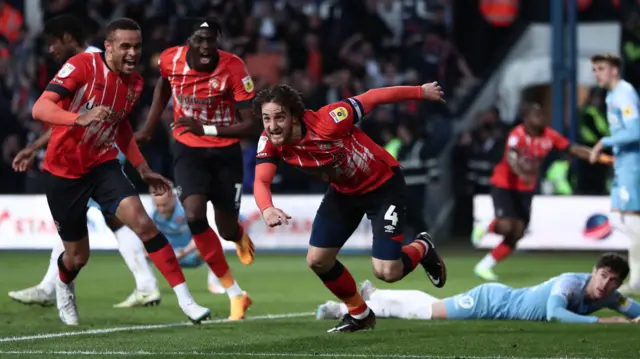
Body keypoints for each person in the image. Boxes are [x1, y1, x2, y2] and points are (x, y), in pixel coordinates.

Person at [30, 17, 209, 326]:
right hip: (63, 172)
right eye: (125, 46)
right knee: (76, 258)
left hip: (102, 164)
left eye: (137, 46)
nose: (132, 53)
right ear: (109, 47)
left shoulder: (135, 83)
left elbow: (121, 126)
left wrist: (142, 168)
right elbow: (40, 108)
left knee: (144, 223)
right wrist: (78, 119)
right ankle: (63, 285)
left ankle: (187, 301)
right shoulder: (82, 65)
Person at [234, 82, 449, 333]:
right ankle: (360, 314)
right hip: (344, 192)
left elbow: (372, 96)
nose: (272, 126)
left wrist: (421, 92)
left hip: (384, 187)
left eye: (279, 117)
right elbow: (261, 180)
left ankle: (422, 247)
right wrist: (266, 208)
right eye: (266, 119)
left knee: (388, 272)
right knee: (317, 260)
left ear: (294, 115)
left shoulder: (329, 120)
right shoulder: (269, 141)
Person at [8, 14, 160, 310]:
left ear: (67, 37)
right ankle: (144, 284)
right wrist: (34, 146)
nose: (52, 50)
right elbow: (74, 119)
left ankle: (52, 287)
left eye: (54, 42)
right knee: (101, 222)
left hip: (94, 157)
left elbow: (97, 118)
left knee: (81, 223)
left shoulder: (94, 62)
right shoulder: (85, 64)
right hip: (87, 152)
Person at [135, 18, 256, 321]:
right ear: (188, 39)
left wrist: (205, 127)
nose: (205, 46)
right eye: (199, 39)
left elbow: (250, 125)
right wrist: (149, 127)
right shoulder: (169, 59)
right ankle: (235, 294)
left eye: (211, 40)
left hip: (225, 151)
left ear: (218, 40)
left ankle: (238, 234)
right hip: (187, 149)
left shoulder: (234, 68)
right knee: (194, 216)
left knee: (226, 228)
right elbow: (164, 84)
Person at [471, 103, 614, 281]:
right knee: (508, 225)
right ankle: (487, 225)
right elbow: (512, 156)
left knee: (518, 232)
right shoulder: (518, 134)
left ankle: (484, 266)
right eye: (536, 115)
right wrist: (521, 172)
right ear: (526, 119)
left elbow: (572, 148)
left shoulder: (549, 135)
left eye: (542, 115)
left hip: (526, 188)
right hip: (505, 185)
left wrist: (596, 156)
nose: (541, 118)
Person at [317, 253, 640, 323]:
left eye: (613, 280)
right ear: (593, 272)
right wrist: (604, 321)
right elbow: (555, 312)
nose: (606, 284)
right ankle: (345, 307)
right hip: (493, 303)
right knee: (425, 313)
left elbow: (634, 311)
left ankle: (376, 296)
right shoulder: (571, 284)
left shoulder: (612, 296)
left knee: (431, 304)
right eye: (603, 276)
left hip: (502, 299)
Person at [590, 53, 640, 296]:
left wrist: (605, 142)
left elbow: (636, 130)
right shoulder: (612, 96)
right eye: (594, 69)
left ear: (614, 70)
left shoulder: (624, 93)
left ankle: (638, 280)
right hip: (623, 165)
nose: (596, 73)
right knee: (620, 220)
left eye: (600, 68)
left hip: (633, 164)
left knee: (631, 221)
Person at [150, 189, 243, 300]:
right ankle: (150, 287)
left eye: (164, 205)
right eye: (158, 205)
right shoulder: (153, 216)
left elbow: (199, 236)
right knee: (142, 253)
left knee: (214, 246)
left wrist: (184, 252)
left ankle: (213, 283)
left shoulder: (187, 212)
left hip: (189, 254)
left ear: (174, 199)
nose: (161, 209)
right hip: (167, 256)